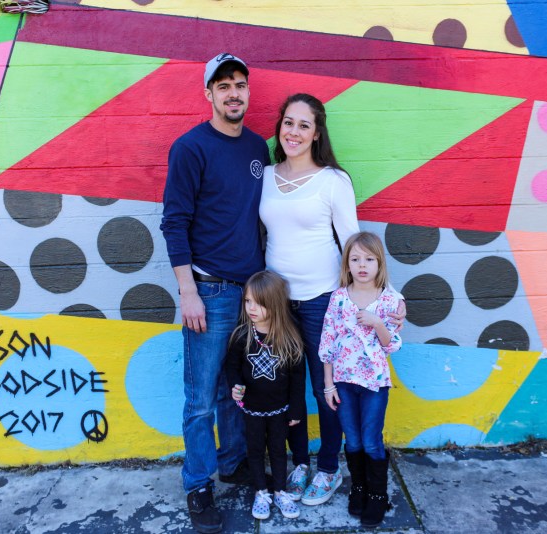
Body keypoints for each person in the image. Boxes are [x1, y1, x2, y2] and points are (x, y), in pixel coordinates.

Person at [259, 94, 406, 506]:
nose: (294, 131)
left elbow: (357, 248)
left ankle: (328, 468)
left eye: (304, 125)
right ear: (280, 127)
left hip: (323, 301)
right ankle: (300, 462)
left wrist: (386, 299)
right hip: (277, 303)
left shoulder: (333, 181)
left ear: (317, 133)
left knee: (327, 389)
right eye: (289, 122)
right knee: (287, 388)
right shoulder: (267, 176)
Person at [160, 52, 270, 534]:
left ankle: (232, 462)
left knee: (235, 392)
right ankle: (198, 483)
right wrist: (188, 291)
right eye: (222, 85)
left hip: (250, 296)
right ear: (208, 94)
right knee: (201, 398)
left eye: (239, 84)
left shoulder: (257, 147)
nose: (233, 93)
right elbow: (174, 222)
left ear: (248, 91)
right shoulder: (190, 148)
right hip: (208, 291)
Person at [319, 231, 402, 528]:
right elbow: (327, 343)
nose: (362, 265)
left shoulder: (390, 300)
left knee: (370, 440)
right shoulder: (339, 298)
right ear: (347, 264)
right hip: (343, 382)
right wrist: (328, 385)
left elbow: (392, 345)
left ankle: (378, 494)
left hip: (374, 384)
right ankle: (359, 487)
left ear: (379, 263)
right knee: (352, 440)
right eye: (355, 259)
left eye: (369, 259)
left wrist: (378, 322)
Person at [225, 271, 306, 520]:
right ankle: (261, 491)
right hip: (252, 409)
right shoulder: (241, 335)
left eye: (259, 303)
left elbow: (298, 378)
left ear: (275, 304)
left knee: (279, 450)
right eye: (248, 301)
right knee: (256, 449)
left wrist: (295, 409)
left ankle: (280, 490)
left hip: (280, 410)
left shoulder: (289, 338)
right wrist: (236, 385)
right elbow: (231, 367)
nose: (251, 308)